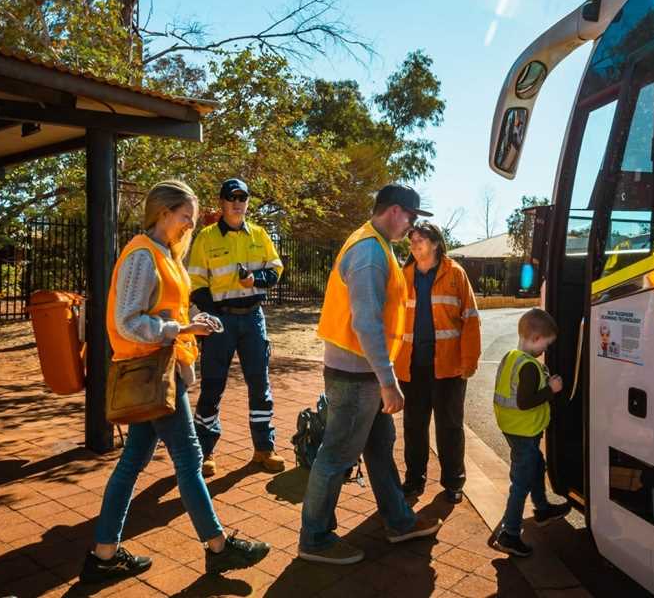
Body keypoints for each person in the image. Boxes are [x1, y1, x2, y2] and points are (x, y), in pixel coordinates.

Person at [80, 180, 270, 584]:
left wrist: (190, 325)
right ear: (163, 213)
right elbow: (126, 322)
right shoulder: (142, 256)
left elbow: (163, 309)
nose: (189, 225)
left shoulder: (163, 252)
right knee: (189, 459)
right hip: (153, 371)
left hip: (160, 369)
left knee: (132, 462)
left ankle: (104, 554)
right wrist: (181, 327)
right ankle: (219, 547)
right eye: (186, 218)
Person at [298, 184, 444, 565]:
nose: (412, 226)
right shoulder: (369, 253)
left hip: (360, 371)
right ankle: (314, 538)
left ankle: (399, 520)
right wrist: (387, 380)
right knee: (336, 455)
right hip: (356, 375)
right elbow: (366, 323)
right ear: (395, 210)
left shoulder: (374, 245)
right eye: (411, 217)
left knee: (379, 448)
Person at [187, 178, 285, 476]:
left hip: (254, 318)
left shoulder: (258, 234)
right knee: (213, 385)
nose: (238, 203)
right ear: (222, 203)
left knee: (260, 384)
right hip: (221, 320)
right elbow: (196, 283)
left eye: (243, 198)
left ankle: (263, 448)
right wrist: (215, 316)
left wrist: (255, 280)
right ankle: (205, 452)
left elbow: (276, 269)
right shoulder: (206, 237)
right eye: (232, 198)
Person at [394, 222, 481, 504]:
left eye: (419, 240)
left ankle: (454, 482)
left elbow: (470, 318)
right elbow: (391, 321)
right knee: (414, 426)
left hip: (449, 368)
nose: (414, 245)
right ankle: (414, 480)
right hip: (412, 367)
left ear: (434, 243)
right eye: (411, 241)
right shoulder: (403, 275)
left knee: (450, 427)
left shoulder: (455, 273)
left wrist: (469, 361)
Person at [487, 308, 571, 557]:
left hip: (512, 428)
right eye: (546, 344)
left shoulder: (511, 357)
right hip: (524, 431)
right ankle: (510, 533)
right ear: (535, 339)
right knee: (520, 482)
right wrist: (551, 389)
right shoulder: (529, 367)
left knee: (536, 465)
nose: (546, 350)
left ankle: (542, 509)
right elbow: (525, 401)